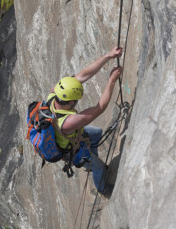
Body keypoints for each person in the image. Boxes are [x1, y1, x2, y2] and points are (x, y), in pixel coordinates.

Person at [48, 46, 123, 196]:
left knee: (97, 133)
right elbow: (99, 108)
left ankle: (92, 160)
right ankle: (102, 187)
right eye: (75, 101)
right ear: (70, 103)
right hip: (72, 149)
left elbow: (83, 76)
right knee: (100, 167)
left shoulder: (54, 94)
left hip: (72, 135)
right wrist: (111, 81)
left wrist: (108, 56)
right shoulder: (68, 122)